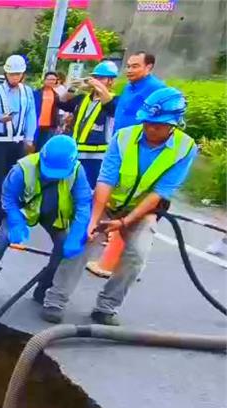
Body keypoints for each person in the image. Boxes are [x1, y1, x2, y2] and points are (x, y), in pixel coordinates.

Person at [42, 87, 197, 325]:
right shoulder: (123, 137)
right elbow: (106, 179)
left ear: (174, 124)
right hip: (108, 201)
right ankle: (55, 300)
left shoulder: (185, 148)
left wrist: (125, 222)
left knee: (137, 255)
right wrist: (94, 219)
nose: (149, 128)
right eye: (147, 123)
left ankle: (106, 307)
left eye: (157, 125)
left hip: (144, 209)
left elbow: (160, 192)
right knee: (80, 243)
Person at [0, 135, 92, 304]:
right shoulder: (23, 168)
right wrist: (15, 220)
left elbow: (83, 204)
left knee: (62, 245)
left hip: (55, 215)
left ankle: (44, 287)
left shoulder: (77, 171)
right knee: (2, 239)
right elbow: (8, 197)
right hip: (24, 211)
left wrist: (77, 234)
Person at [0, 55, 37, 229]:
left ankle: (1, 208)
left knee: (13, 178)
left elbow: (30, 116)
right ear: (5, 74)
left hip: (17, 142)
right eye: (11, 74)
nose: (14, 78)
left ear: (23, 74)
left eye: (18, 74)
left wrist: (29, 138)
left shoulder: (27, 92)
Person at [59, 60, 119, 187]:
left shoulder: (115, 100)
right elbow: (62, 102)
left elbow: (110, 106)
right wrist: (73, 87)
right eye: (95, 77)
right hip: (76, 152)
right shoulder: (83, 98)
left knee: (89, 189)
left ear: (111, 81)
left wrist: (98, 86)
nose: (96, 80)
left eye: (101, 78)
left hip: (97, 156)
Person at [112, 51, 165, 134]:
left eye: (134, 67)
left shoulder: (157, 88)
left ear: (148, 67)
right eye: (128, 66)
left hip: (138, 141)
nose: (129, 70)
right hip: (119, 138)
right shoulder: (128, 87)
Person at [34, 71, 62, 149]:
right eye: (49, 79)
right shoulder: (37, 93)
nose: (51, 81)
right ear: (44, 80)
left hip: (49, 126)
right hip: (36, 124)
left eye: (54, 80)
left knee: (43, 147)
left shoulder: (56, 95)